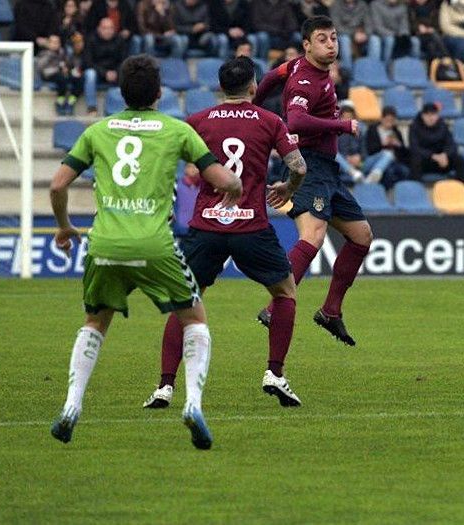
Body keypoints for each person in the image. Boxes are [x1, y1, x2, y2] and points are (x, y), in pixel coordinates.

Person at [48, 54, 242, 449]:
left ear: (121, 93)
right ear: (158, 92)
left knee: (94, 322)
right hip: (154, 243)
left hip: (105, 243)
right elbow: (219, 176)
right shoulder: (175, 130)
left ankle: (71, 406)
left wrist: (65, 225)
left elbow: (57, 185)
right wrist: (235, 188)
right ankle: (193, 405)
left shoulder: (97, 131)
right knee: (195, 319)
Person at [145, 56, 308, 410]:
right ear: (253, 86)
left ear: (220, 88)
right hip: (251, 225)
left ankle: (165, 387)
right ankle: (275, 374)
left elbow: (161, 160)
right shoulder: (269, 120)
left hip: (206, 227)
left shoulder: (198, 121)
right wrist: (289, 189)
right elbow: (299, 166)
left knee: (184, 300)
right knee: (284, 292)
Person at [254, 16, 371, 347]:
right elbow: (297, 120)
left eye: (333, 37)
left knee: (361, 237)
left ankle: (331, 311)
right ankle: (275, 306)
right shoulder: (307, 80)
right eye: (323, 39)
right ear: (307, 44)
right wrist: (342, 126)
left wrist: (254, 107)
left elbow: (269, 78)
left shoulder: (294, 67)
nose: (331, 43)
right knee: (314, 235)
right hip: (308, 166)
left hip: (326, 169)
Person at [408, 102, 464, 182]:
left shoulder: (443, 126)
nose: (430, 118)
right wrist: (433, 156)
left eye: (433, 115)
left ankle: (461, 187)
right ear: (422, 116)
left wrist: (445, 155)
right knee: (415, 160)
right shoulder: (414, 127)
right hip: (426, 161)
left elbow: (452, 145)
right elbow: (414, 148)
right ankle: (417, 190)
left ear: (437, 115)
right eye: (427, 115)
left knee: (460, 159)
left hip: (443, 161)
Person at [84, 17, 129, 115]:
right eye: (105, 28)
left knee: (127, 71)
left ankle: (125, 108)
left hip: (116, 73)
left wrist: (116, 72)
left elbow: (124, 60)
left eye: (110, 28)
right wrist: (105, 73)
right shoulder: (91, 40)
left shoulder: (120, 40)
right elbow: (88, 62)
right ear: (99, 29)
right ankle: (92, 107)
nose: (108, 31)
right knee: (89, 73)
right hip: (98, 72)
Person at [37, 34, 84, 115]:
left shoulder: (63, 53)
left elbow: (69, 63)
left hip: (62, 73)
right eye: (53, 42)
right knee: (62, 79)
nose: (55, 44)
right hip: (49, 74)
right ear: (48, 43)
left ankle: (70, 101)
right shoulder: (44, 54)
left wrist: (68, 67)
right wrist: (58, 68)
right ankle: (60, 102)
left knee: (79, 80)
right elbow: (41, 68)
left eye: (57, 42)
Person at [363, 105, 409, 187]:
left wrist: (398, 145)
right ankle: (377, 179)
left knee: (404, 170)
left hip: (394, 161)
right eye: (387, 120)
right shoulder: (373, 130)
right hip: (376, 159)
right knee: (389, 171)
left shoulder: (396, 132)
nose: (389, 123)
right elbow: (370, 150)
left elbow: (404, 153)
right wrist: (382, 144)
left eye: (392, 121)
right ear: (382, 119)